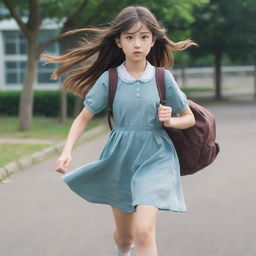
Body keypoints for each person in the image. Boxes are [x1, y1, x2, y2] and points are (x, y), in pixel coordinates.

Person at [42, 5, 196, 256]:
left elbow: (188, 118)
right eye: (130, 37)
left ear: (152, 41)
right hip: (119, 160)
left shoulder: (162, 78)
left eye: (144, 37)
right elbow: (83, 118)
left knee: (144, 231)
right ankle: (123, 250)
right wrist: (67, 151)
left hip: (157, 157)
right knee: (126, 238)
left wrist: (170, 121)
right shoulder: (110, 79)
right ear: (118, 41)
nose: (137, 43)